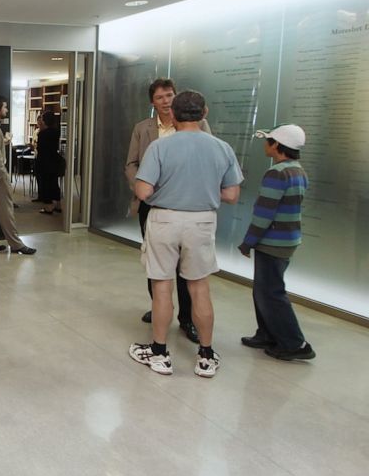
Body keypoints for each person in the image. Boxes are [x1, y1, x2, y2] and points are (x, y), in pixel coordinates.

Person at [129, 90, 243, 378]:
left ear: (174, 116)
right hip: (202, 222)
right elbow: (231, 193)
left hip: (165, 220)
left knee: (162, 286)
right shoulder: (222, 148)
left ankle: (159, 353)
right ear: (204, 113)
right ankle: (205, 355)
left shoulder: (160, 147)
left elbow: (143, 190)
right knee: (199, 287)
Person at [125, 78, 212, 342]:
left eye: (170, 95)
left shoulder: (199, 126)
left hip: (188, 205)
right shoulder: (143, 128)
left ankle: (187, 318)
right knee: (156, 263)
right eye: (160, 97)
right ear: (152, 101)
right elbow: (131, 163)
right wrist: (143, 188)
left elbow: (206, 160)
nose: (166, 101)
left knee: (188, 268)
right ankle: (159, 308)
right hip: (151, 204)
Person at [238, 124, 316, 361]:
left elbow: (264, 214)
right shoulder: (298, 171)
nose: (265, 144)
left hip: (272, 242)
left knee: (271, 292)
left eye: (268, 141)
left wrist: (248, 242)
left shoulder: (277, 173)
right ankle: (267, 334)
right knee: (264, 290)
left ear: (277, 146)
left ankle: (295, 343)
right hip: (287, 240)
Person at [0, 95, 36, 255]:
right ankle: (16, 244)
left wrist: (4, 141)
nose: (6, 110)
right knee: (7, 211)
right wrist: (4, 175)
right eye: (5, 107)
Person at [32, 110, 62, 214]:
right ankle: (58, 205)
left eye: (43, 119)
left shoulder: (43, 134)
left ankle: (48, 207)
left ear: (45, 121)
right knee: (54, 183)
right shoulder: (56, 131)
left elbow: (40, 149)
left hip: (44, 162)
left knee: (46, 184)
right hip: (54, 161)